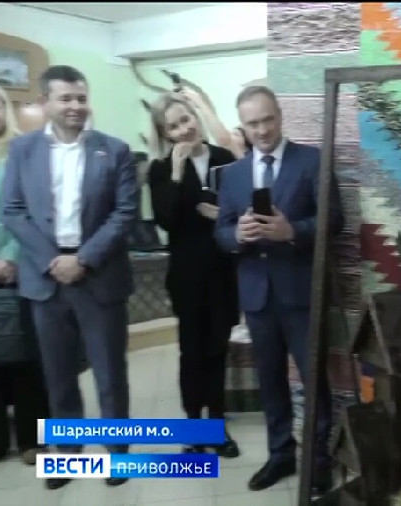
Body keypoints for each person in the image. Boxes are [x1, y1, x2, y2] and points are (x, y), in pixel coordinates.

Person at [0, 65, 138, 490]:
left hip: (98, 277)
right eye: (66, 98)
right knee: (58, 375)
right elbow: (12, 210)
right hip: (46, 281)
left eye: (81, 98)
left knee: (109, 374)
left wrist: (84, 259)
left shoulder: (114, 150)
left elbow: (125, 213)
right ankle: (67, 456)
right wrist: (51, 261)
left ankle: (117, 456)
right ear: (46, 103)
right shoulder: (22, 150)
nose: (76, 106)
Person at [214, 85, 344, 494]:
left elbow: (335, 220)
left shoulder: (312, 160)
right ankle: (280, 454)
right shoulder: (233, 175)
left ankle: (318, 462)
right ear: (243, 126)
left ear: (280, 116)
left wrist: (292, 231)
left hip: (302, 292)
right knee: (270, 380)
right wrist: (238, 234)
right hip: (257, 295)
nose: (262, 130)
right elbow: (221, 231)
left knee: (313, 379)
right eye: (253, 123)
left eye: (268, 119)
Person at [146, 93, 240, 456]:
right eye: (174, 126)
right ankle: (193, 426)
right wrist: (175, 171)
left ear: (196, 117)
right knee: (192, 352)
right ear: (165, 134)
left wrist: (223, 216)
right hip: (187, 277)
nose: (184, 129)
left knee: (217, 350)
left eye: (186, 119)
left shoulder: (223, 158)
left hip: (223, 273)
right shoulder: (160, 169)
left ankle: (217, 425)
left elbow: (241, 209)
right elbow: (166, 220)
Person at [0, 76, 51, 473]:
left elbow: (37, 209)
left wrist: (12, 257)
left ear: (4, 108)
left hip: (22, 266)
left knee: (26, 356)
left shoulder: (25, 150)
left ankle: (33, 440)